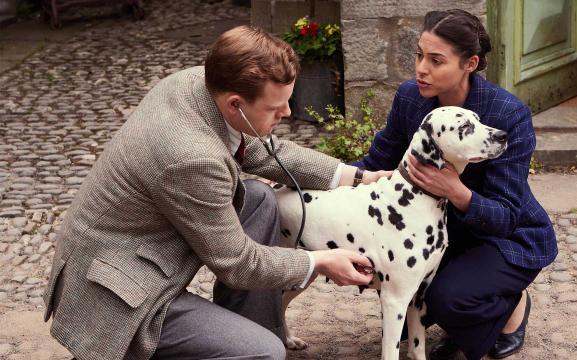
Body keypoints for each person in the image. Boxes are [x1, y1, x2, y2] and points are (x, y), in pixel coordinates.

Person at [42, 25, 391, 360]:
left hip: (135, 251)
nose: (286, 112)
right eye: (275, 108)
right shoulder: (193, 158)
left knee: (258, 200)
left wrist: (359, 176)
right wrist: (320, 261)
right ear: (235, 104)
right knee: (264, 352)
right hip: (117, 294)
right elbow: (237, 263)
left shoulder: (201, 82)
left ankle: (254, 331)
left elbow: (262, 150)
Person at [351, 9, 558, 360]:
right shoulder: (410, 98)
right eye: (419, 55)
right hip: (438, 233)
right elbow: (375, 164)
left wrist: (455, 190)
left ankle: (511, 306)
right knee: (400, 293)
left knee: (444, 300)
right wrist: (309, 177)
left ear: (470, 63)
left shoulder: (507, 115)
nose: (421, 68)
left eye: (435, 60)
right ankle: (465, 303)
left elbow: (507, 215)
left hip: (505, 236)